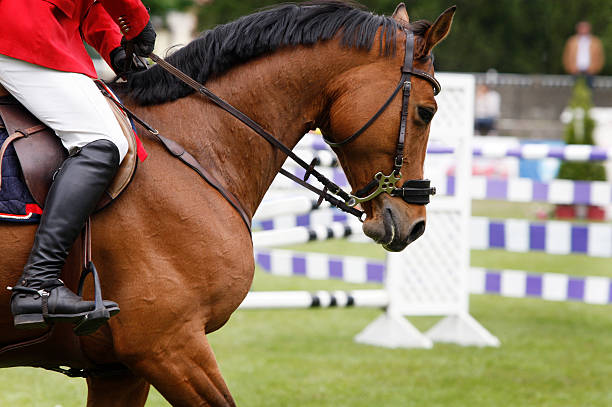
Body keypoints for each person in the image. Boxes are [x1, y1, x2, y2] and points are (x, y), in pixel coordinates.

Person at [0, 0, 156, 333]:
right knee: (102, 140)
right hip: (17, 27)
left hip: (35, 23)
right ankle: (38, 284)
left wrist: (114, 44)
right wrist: (136, 22)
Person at [562, 21, 605, 88]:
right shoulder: (571, 41)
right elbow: (566, 56)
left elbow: (600, 57)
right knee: (576, 90)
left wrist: (595, 69)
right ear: (578, 29)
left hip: (590, 70)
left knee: (589, 90)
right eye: (581, 28)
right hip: (575, 70)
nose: (583, 30)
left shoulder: (596, 41)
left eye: (585, 28)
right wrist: (570, 68)